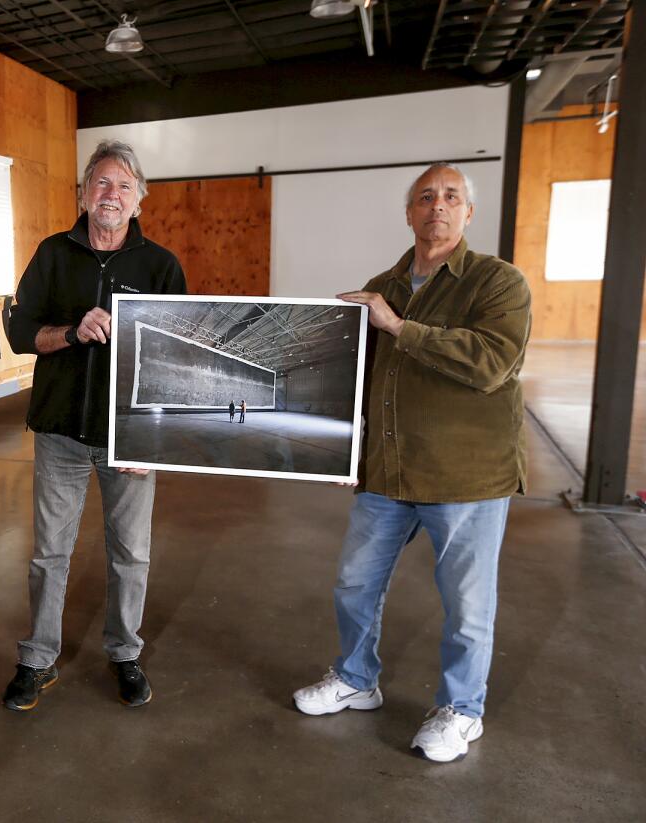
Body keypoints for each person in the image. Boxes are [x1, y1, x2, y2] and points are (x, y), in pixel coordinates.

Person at [292, 162, 532, 763]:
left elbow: (491, 362)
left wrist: (399, 326)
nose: (438, 206)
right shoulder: (383, 284)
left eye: (451, 197)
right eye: (426, 197)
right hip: (390, 473)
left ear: (468, 213)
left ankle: (461, 710)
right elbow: (357, 382)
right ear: (409, 212)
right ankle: (355, 679)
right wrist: (342, 447)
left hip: (467, 476)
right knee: (354, 582)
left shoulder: (497, 283)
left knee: (467, 605)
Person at [2, 140, 186, 711]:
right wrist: (71, 332)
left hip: (127, 437)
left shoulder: (160, 266)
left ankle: (124, 653)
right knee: (48, 553)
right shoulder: (52, 255)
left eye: (123, 186)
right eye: (102, 183)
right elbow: (18, 332)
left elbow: (178, 361)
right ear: (84, 193)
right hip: (59, 432)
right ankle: (38, 659)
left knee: (131, 553)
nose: (112, 194)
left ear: (139, 201)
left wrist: (154, 440)